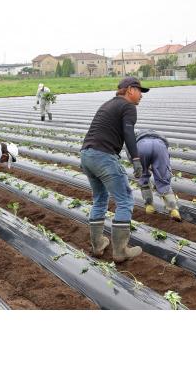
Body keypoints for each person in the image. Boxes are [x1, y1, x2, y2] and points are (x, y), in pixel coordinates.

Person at [80, 76, 149, 261]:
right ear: (129, 90)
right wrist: (136, 159)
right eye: (139, 91)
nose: (141, 95)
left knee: (100, 198)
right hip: (103, 156)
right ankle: (120, 251)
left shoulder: (107, 104)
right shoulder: (128, 106)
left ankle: (98, 245)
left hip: (86, 155)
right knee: (125, 200)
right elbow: (128, 133)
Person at [134, 130, 181, 221]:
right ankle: (173, 210)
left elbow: (132, 156)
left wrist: (139, 169)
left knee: (143, 177)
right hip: (160, 146)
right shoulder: (160, 137)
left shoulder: (135, 140)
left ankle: (149, 207)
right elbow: (166, 153)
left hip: (142, 147)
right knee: (163, 180)